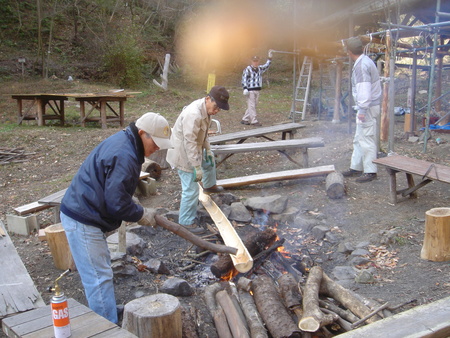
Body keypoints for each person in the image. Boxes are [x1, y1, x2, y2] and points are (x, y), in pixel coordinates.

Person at [60, 112, 172, 323]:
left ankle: (106, 309)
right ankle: (107, 326)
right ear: (142, 134)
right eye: (156, 142)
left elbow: (114, 187)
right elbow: (116, 203)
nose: (158, 147)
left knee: (99, 272)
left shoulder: (126, 143)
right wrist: (140, 213)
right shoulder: (125, 154)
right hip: (83, 217)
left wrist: (131, 201)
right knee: (98, 277)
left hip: (87, 210)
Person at [166, 86, 229, 234]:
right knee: (191, 189)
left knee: (210, 160)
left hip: (194, 149)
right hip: (183, 154)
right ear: (208, 99)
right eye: (216, 107)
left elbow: (204, 134)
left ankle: (209, 186)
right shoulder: (193, 114)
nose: (216, 111)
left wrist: (207, 150)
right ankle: (185, 222)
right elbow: (190, 142)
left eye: (219, 109)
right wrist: (196, 166)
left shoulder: (206, 110)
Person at [342, 37, 382, 183]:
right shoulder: (365, 61)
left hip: (368, 107)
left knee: (366, 139)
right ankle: (356, 167)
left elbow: (364, 90)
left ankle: (371, 171)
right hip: (368, 106)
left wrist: (363, 110)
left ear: (349, 51)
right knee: (359, 138)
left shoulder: (361, 66)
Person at [241, 50, 273, 126]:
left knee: (253, 105)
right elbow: (244, 79)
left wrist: (270, 57)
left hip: (257, 89)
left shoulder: (260, 68)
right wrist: (245, 88)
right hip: (250, 90)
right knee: (252, 105)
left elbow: (267, 65)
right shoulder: (247, 69)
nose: (255, 62)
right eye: (254, 61)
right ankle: (254, 121)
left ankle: (245, 119)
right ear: (251, 61)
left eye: (257, 61)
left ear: (258, 61)